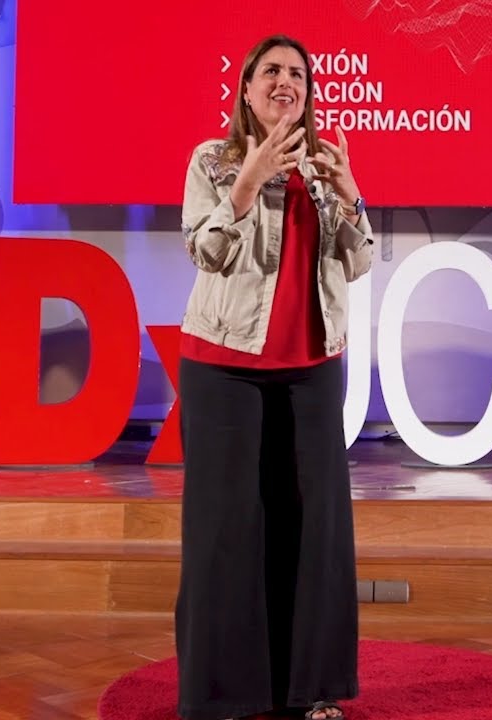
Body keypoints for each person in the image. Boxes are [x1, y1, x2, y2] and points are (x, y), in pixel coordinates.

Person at [174, 34, 375, 720]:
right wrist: (247, 182)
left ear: (309, 93)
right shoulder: (212, 159)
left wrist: (350, 196)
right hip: (223, 367)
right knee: (226, 531)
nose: (285, 82)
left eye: (297, 74)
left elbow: (358, 262)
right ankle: (223, 695)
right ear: (247, 88)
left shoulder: (322, 166)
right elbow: (205, 252)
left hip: (313, 369)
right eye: (271, 72)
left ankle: (309, 690)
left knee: (314, 532)